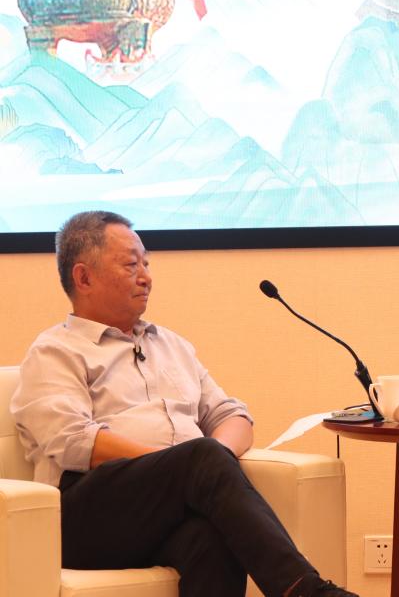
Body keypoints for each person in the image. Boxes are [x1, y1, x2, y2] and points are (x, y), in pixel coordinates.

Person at [10, 211, 358, 597]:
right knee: (202, 459)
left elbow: (231, 415)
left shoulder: (172, 346)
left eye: (146, 263)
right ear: (84, 278)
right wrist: (188, 466)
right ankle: (310, 592)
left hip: (163, 510)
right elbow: (74, 440)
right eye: (131, 265)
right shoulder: (55, 350)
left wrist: (212, 468)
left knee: (211, 539)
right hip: (83, 515)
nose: (146, 276)